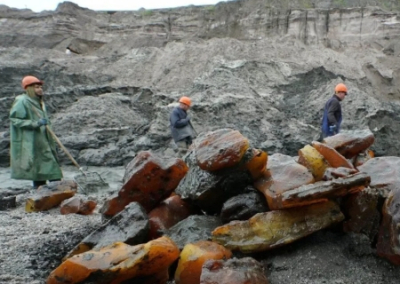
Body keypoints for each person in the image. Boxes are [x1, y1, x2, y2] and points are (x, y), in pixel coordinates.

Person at [9, 75, 63, 189]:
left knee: (51, 169)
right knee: (39, 171)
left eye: (40, 87)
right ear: (29, 88)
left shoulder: (39, 102)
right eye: (36, 87)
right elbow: (15, 120)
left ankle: (53, 195)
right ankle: (41, 197)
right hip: (33, 141)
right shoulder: (22, 101)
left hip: (44, 140)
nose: (40, 89)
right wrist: (35, 123)